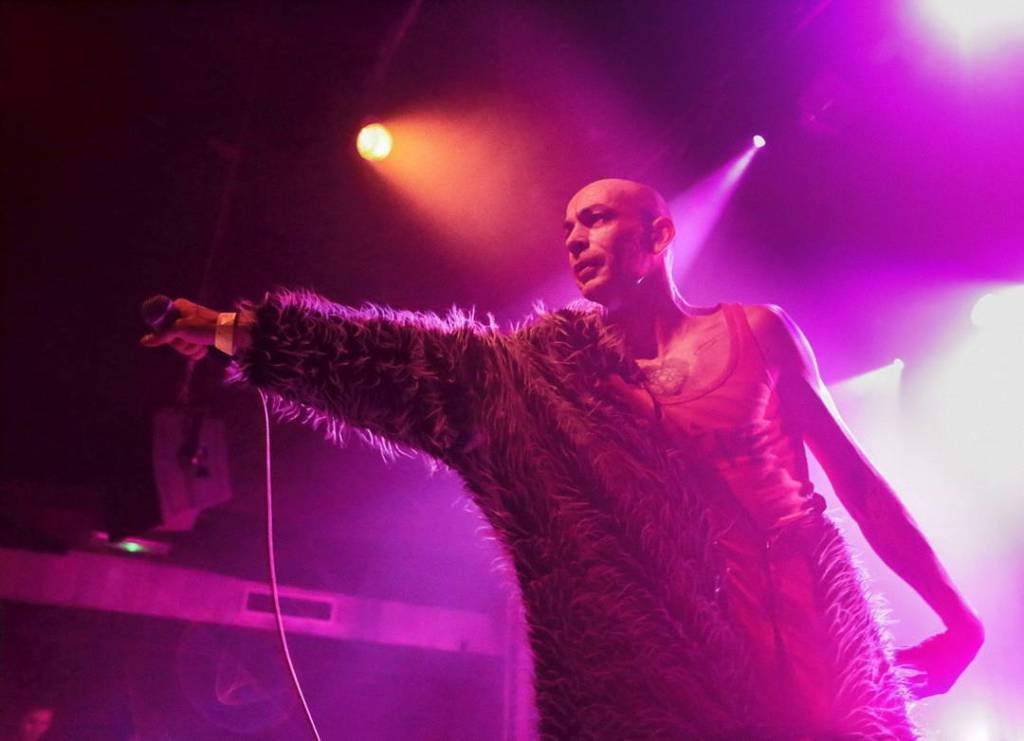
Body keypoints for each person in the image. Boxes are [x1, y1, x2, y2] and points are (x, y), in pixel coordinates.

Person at [141, 178, 983, 738]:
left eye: (597, 218)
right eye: (568, 228)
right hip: (671, 692)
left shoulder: (756, 332)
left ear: (659, 233)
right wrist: (235, 331)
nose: (576, 239)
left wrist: (958, 616)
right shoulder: (545, 383)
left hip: (817, 667)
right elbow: (403, 363)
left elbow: (858, 484)